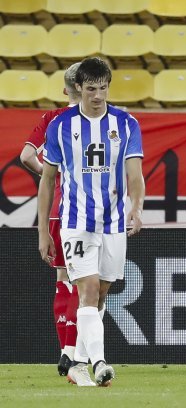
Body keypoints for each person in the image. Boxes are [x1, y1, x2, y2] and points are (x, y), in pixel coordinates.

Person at [37, 57, 144, 387]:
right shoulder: (61, 125)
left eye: (103, 88)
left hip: (113, 223)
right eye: (91, 89)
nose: (98, 95)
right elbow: (48, 180)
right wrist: (43, 230)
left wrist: (136, 208)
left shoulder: (126, 124)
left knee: (102, 294)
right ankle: (98, 363)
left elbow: (135, 174)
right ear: (78, 88)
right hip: (76, 221)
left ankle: (78, 362)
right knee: (88, 289)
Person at [21, 63, 82, 378]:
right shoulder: (92, 119)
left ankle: (65, 353)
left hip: (58, 211)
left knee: (63, 280)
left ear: (64, 91)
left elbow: (26, 154)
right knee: (86, 285)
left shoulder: (52, 119)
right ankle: (73, 353)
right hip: (85, 212)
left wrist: (51, 176)